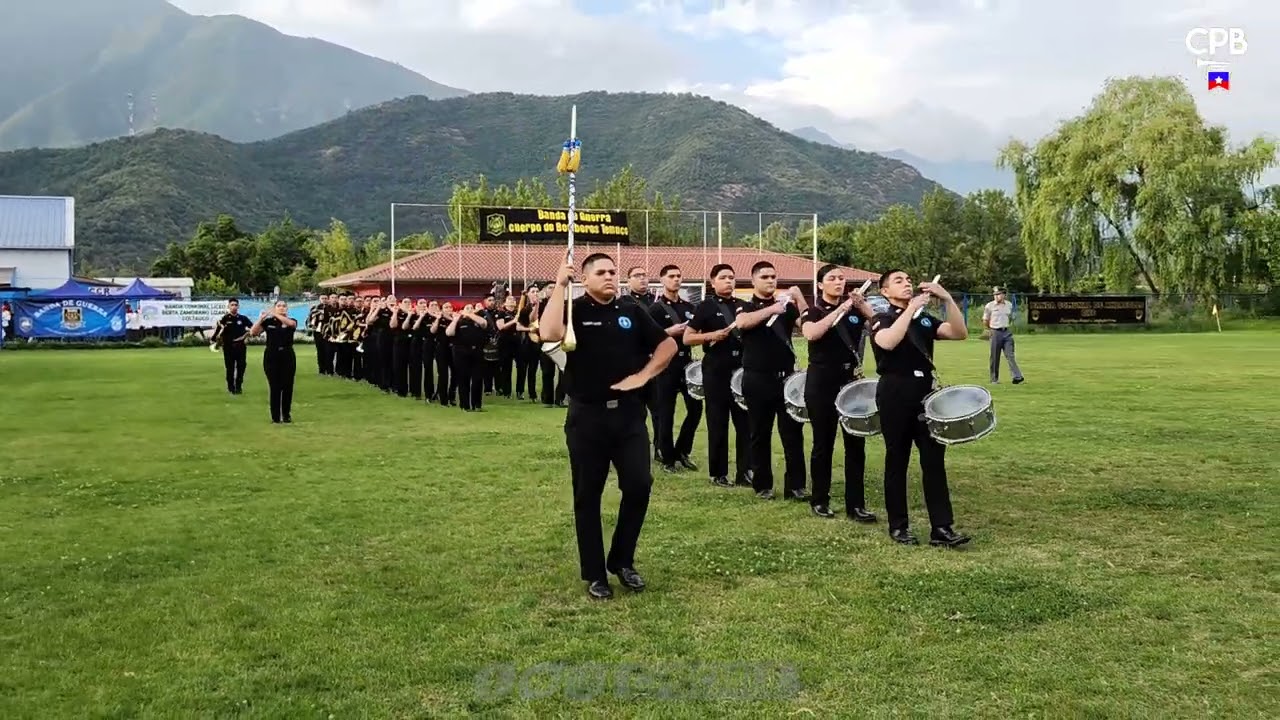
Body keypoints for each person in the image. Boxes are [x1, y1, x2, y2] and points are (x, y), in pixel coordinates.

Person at [539, 252, 676, 600]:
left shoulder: (631, 310)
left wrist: (643, 376)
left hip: (629, 416)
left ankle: (622, 560)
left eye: (613, 271)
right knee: (588, 496)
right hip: (588, 418)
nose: (610, 276)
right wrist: (559, 285)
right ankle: (595, 573)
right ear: (585, 278)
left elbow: (668, 344)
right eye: (601, 272)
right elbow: (548, 332)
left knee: (639, 485)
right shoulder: (575, 310)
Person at [868, 269, 971, 547]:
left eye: (908, 280)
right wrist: (911, 308)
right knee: (897, 460)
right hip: (895, 392)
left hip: (925, 394)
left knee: (934, 461)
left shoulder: (924, 318)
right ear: (885, 292)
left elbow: (959, 332)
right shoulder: (882, 318)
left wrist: (948, 299)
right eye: (898, 281)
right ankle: (898, 526)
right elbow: (887, 342)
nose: (907, 284)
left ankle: (942, 528)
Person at [800, 265, 877, 521]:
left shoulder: (856, 309)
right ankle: (819, 499)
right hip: (822, 381)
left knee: (856, 443)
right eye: (831, 279)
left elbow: (879, 325)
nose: (838, 282)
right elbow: (811, 333)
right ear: (820, 285)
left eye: (841, 278)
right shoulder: (815, 310)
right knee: (824, 443)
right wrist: (841, 309)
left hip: (850, 381)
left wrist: (862, 306)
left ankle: (856, 505)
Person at [733, 261, 809, 501]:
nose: (770, 280)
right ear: (753, 280)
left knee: (793, 434)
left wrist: (798, 297)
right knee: (759, 433)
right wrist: (771, 310)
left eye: (773, 276)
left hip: (785, 379)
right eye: (764, 276)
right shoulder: (745, 305)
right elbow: (743, 323)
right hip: (757, 378)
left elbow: (807, 325)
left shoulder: (787, 307)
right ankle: (762, 484)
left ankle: (795, 486)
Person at [684, 263, 752, 488]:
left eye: (731, 277)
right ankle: (719, 472)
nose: (728, 281)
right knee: (718, 422)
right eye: (723, 277)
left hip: (741, 369)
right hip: (716, 369)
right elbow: (688, 337)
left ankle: (745, 471)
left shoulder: (743, 306)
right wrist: (712, 335)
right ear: (712, 282)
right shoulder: (705, 306)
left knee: (744, 422)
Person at [647, 264, 701, 474]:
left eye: (679, 276)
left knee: (696, 409)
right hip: (666, 365)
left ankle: (682, 450)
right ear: (662, 280)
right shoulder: (656, 309)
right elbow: (648, 338)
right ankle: (667, 457)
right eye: (671, 276)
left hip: (686, 364)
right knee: (665, 413)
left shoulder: (689, 307)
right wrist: (669, 331)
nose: (676, 280)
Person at [251, 299, 298, 424]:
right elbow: (253, 332)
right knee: (275, 386)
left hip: (287, 355)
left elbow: (291, 324)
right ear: (275, 307)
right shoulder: (269, 322)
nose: (282, 308)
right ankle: (275, 417)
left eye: (284, 306)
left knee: (287, 386)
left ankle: (286, 415)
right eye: (279, 306)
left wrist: (274, 313)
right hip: (272, 355)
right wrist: (261, 319)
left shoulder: (291, 320)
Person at [448, 303, 489, 411]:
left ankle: (477, 405)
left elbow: (484, 323)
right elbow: (449, 333)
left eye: (472, 308)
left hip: (477, 352)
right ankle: (465, 405)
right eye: (467, 308)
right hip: (461, 353)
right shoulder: (459, 321)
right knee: (463, 379)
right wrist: (456, 319)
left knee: (478, 379)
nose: (470, 310)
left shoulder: (478, 320)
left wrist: (470, 314)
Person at [211, 298, 253, 394]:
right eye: (232, 305)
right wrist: (215, 340)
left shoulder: (243, 318)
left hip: (240, 346)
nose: (234, 307)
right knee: (230, 368)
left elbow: (253, 328)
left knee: (241, 366)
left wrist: (245, 336)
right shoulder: (224, 319)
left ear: (238, 306)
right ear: (228, 307)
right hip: (228, 347)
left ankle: (238, 386)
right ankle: (231, 387)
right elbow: (217, 332)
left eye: (235, 305)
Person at [983, 286, 1024, 384]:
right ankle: (994, 379)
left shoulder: (1009, 305)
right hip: (995, 332)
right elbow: (985, 319)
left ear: (1004, 295)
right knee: (995, 357)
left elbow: (1010, 317)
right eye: (995, 295)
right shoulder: (989, 306)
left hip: (1006, 332)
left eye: (998, 294)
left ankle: (1017, 377)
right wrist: (988, 330)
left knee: (1010, 355)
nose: (996, 296)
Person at [514, 287, 541, 401]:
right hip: (525, 341)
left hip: (537, 341)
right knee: (522, 368)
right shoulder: (525, 309)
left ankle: (532, 393)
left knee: (533, 369)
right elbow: (524, 323)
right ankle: (520, 390)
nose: (535, 294)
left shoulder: (544, 307)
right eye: (533, 292)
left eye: (537, 292)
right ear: (528, 294)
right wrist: (535, 307)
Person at [494, 295, 520, 398]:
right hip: (505, 342)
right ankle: (506, 391)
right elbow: (500, 327)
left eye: (513, 299)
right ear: (505, 302)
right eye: (509, 299)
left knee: (521, 367)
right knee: (506, 367)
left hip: (517, 341)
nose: (512, 301)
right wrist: (513, 321)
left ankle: (520, 391)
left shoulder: (517, 313)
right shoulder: (501, 313)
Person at [431, 302, 455, 406]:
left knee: (456, 373)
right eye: (446, 307)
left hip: (453, 349)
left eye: (450, 307)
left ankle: (452, 395)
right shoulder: (438, 319)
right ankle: (443, 398)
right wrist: (437, 318)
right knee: (443, 374)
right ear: (442, 309)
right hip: (441, 348)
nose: (449, 309)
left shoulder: (455, 319)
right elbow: (432, 330)